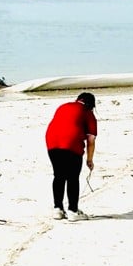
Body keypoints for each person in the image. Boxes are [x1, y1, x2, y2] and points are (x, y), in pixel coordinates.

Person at [45, 92, 97, 221]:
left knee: (58, 175)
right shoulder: (88, 112)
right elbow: (91, 140)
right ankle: (73, 211)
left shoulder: (63, 106)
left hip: (52, 141)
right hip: (71, 142)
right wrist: (89, 160)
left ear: (78, 99)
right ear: (91, 104)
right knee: (73, 177)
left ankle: (58, 209)